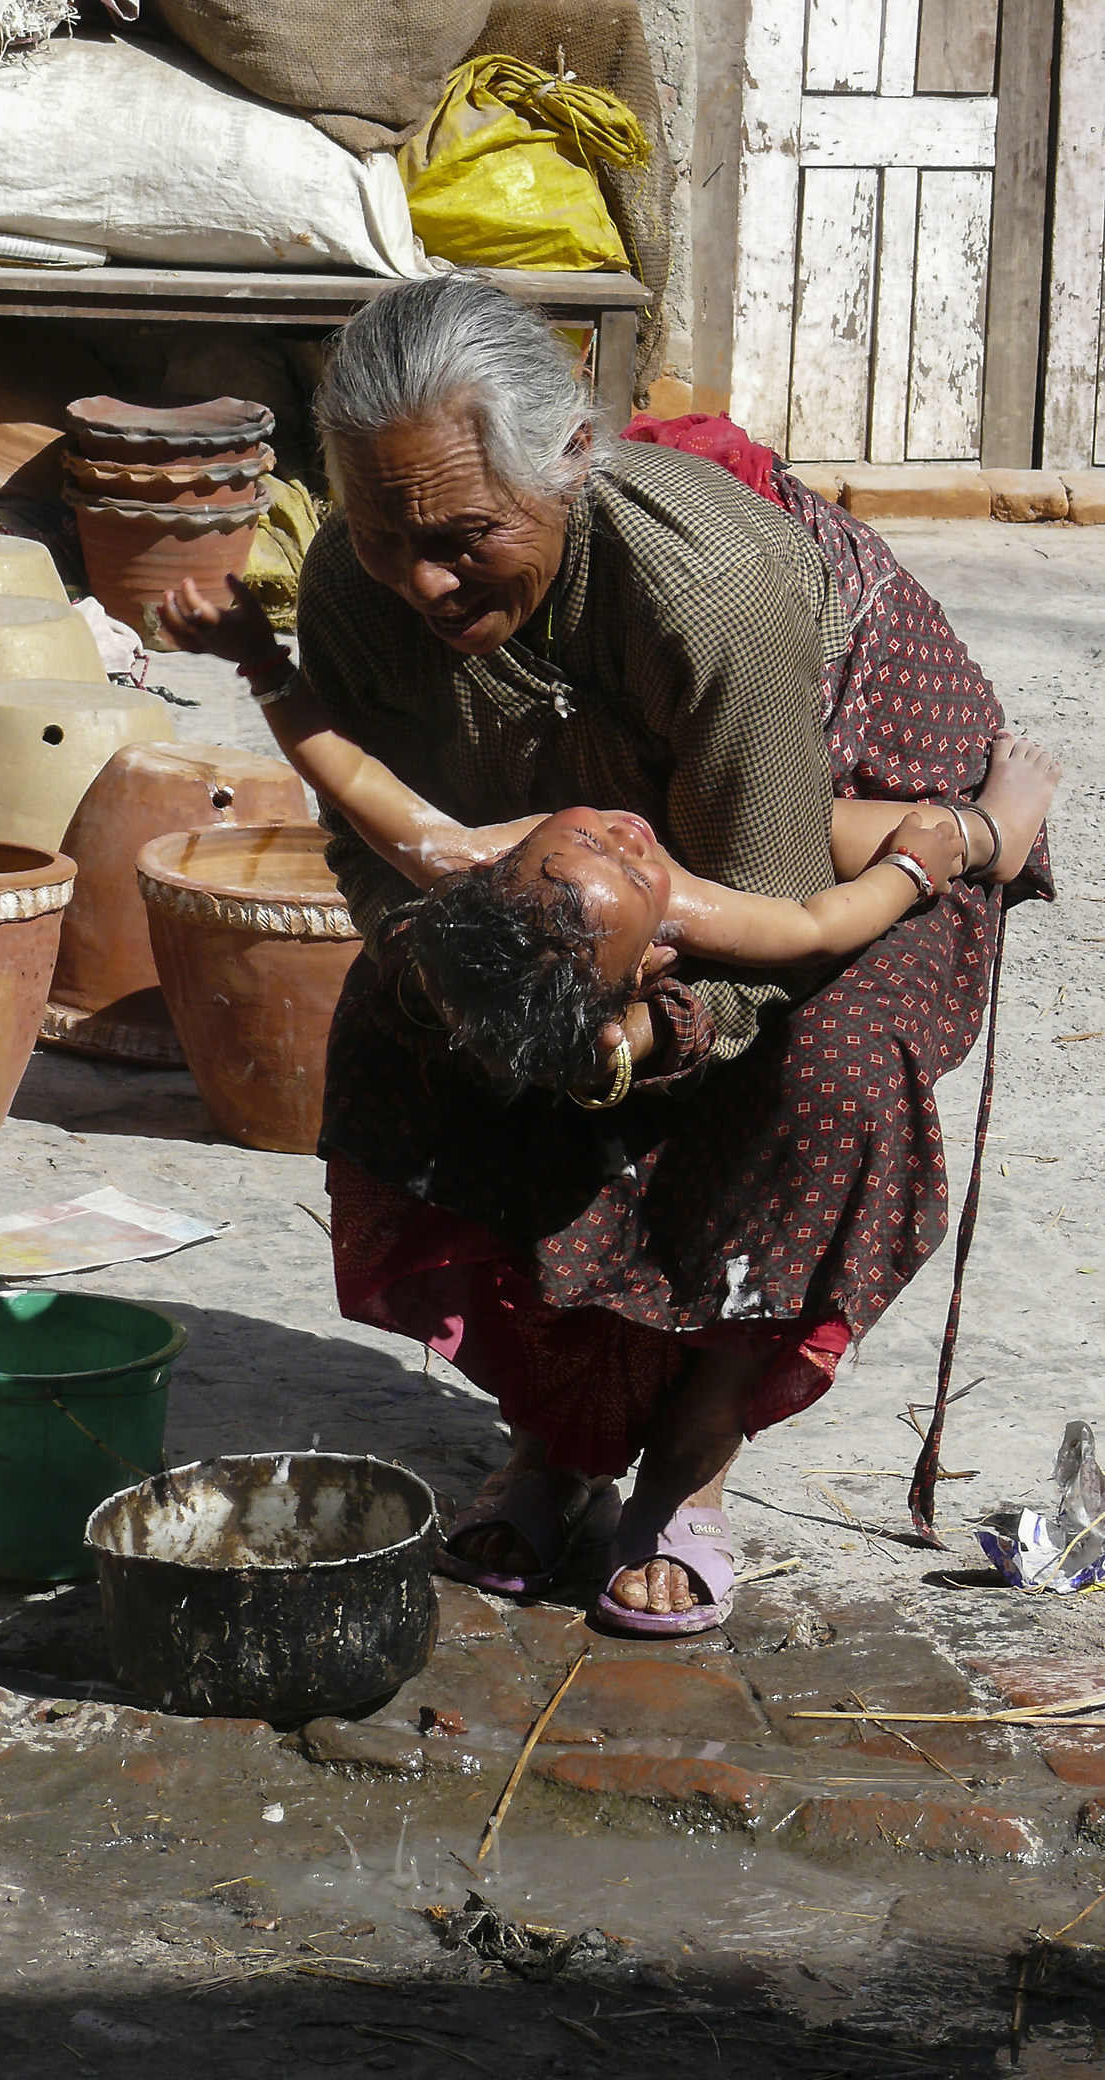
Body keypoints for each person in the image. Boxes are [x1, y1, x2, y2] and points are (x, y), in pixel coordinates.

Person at [171, 273, 1055, 1637]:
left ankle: (691, 1448)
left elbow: (781, 922)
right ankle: (561, 1430)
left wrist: (646, 1034)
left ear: (572, 461)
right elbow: (372, 828)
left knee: (824, 1074)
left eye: (465, 536)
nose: (418, 580)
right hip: (582, 861)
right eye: (383, 533)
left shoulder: (711, 593)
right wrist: (478, 982)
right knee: (404, 1031)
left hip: (824, 828)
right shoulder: (369, 577)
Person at [160, 575, 1056, 1109]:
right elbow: (819, 926)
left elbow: (348, 777)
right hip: (741, 840)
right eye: (635, 877)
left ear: (495, 865)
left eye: (589, 842)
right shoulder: (689, 910)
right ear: (654, 959)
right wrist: (917, 860)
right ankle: (997, 833)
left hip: (658, 779)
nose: (629, 843)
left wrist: (263, 663)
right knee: (841, 830)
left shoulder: (461, 858)